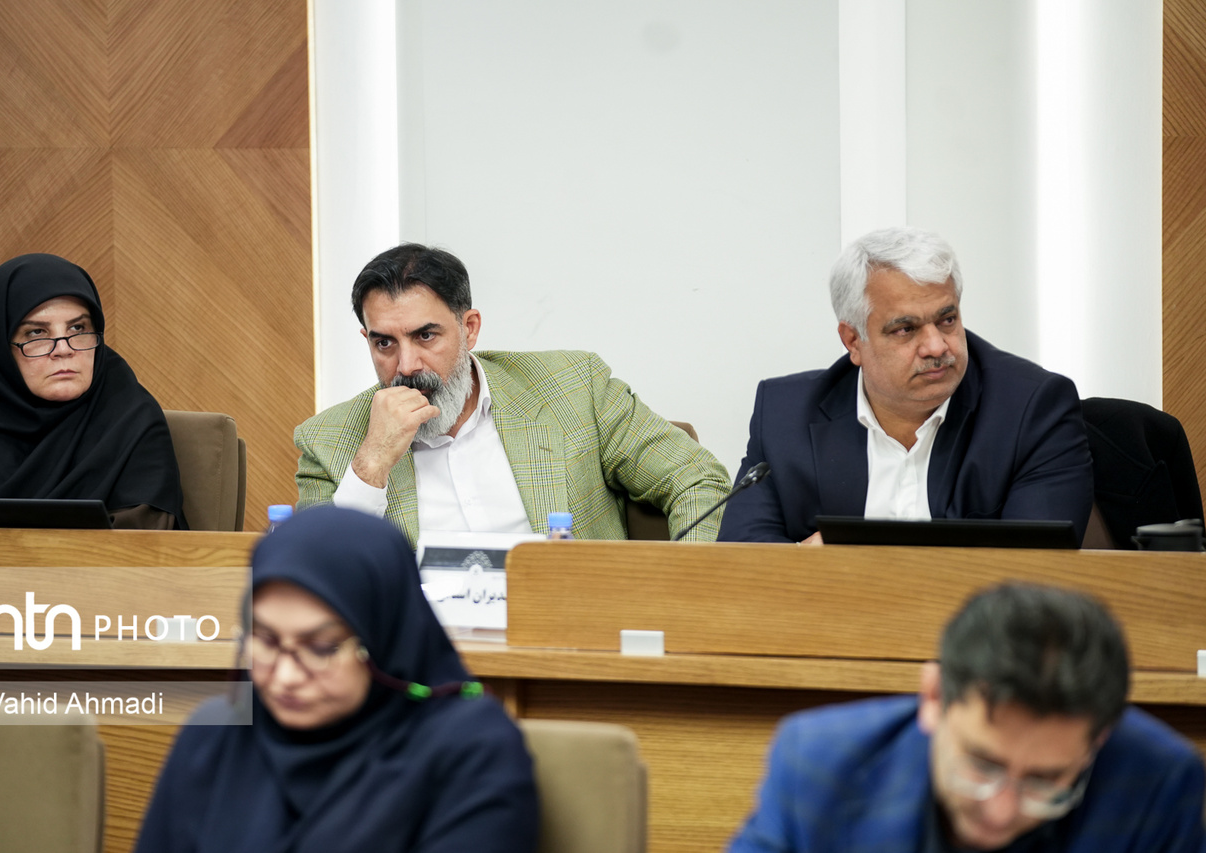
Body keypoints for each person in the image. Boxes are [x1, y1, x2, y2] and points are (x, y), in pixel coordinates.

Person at [135, 505, 539, 852]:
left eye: (321, 648)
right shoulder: (215, 736)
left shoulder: (471, 750)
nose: (286, 677)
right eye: (265, 640)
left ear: (382, 639)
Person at [294, 243, 731, 546]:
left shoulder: (573, 388)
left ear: (469, 328)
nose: (406, 366)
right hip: (423, 646)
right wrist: (372, 463)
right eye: (384, 343)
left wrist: (679, 595)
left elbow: (697, 478)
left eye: (426, 336)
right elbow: (313, 575)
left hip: (567, 632)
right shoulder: (328, 441)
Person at [729, 583, 1206, 852]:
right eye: (981, 764)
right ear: (934, 698)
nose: (1001, 810)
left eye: (1045, 781)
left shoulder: (1159, 785)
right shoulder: (818, 766)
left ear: (1098, 740)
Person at [718, 226, 1092, 544]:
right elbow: (745, 566)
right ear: (853, 341)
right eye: (905, 329)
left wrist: (853, 564)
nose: (936, 346)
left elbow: (1037, 575)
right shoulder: (784, 416)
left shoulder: (1032, 409)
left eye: (947, 320)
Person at [0, 253, 185, 529]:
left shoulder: (132, 418)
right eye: (36, 333)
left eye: (78, 328)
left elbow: (141, 543)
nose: (64, 349)